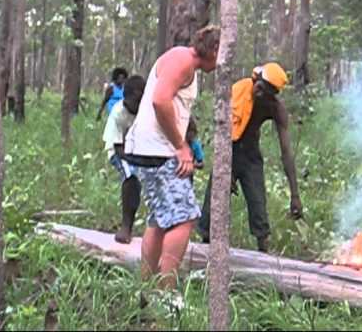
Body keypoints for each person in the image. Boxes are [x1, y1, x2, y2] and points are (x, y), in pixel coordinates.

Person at [124, 25, 220, 291]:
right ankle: (166, 293)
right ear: (213, 49)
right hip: (158, 150)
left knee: (160, 218)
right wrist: (181, 147)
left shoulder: (187, 64)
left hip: (149, 149)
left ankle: (146, 288)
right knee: (185, 217)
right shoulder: (182, 60)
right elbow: (160, 100)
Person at [198, 62, 303, 252]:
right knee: (212, 207)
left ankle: (264, 259)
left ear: (273, 96)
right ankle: (204, 255)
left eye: (265, 93)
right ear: (255, 80)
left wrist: (295, 195)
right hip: (227, 150)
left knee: (258, 207)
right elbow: (221, 128)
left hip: (251, 156)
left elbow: (286, 152)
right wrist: (224, 167)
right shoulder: (238, 90)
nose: (259, 93)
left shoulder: (275, 108)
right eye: (259, 87)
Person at [102, 75, 146, 244]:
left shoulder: (147, 111)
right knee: (131, 177)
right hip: (119, 151)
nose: (133, 106)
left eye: (137, 102)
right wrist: (137, 161)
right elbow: (118, 147)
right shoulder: (118, 112)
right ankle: (126, 226)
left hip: (139, 152)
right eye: (131, 101)